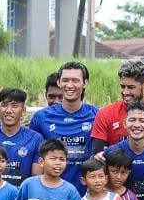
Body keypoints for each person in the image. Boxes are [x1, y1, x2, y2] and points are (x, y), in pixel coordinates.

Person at [28, 61, 99, 189]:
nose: (70, 85)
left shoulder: (97, 115)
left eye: (75, 80)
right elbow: (34, 156)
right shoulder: (41, 117)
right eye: (65, 80)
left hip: (87, 194)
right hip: (51, 194)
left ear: (85, 83)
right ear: (59, 82)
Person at [102, 103, 144, 199]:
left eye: (142, 120)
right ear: (124, 123)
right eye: (132, 120)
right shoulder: (112, 152)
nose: (137, 125)